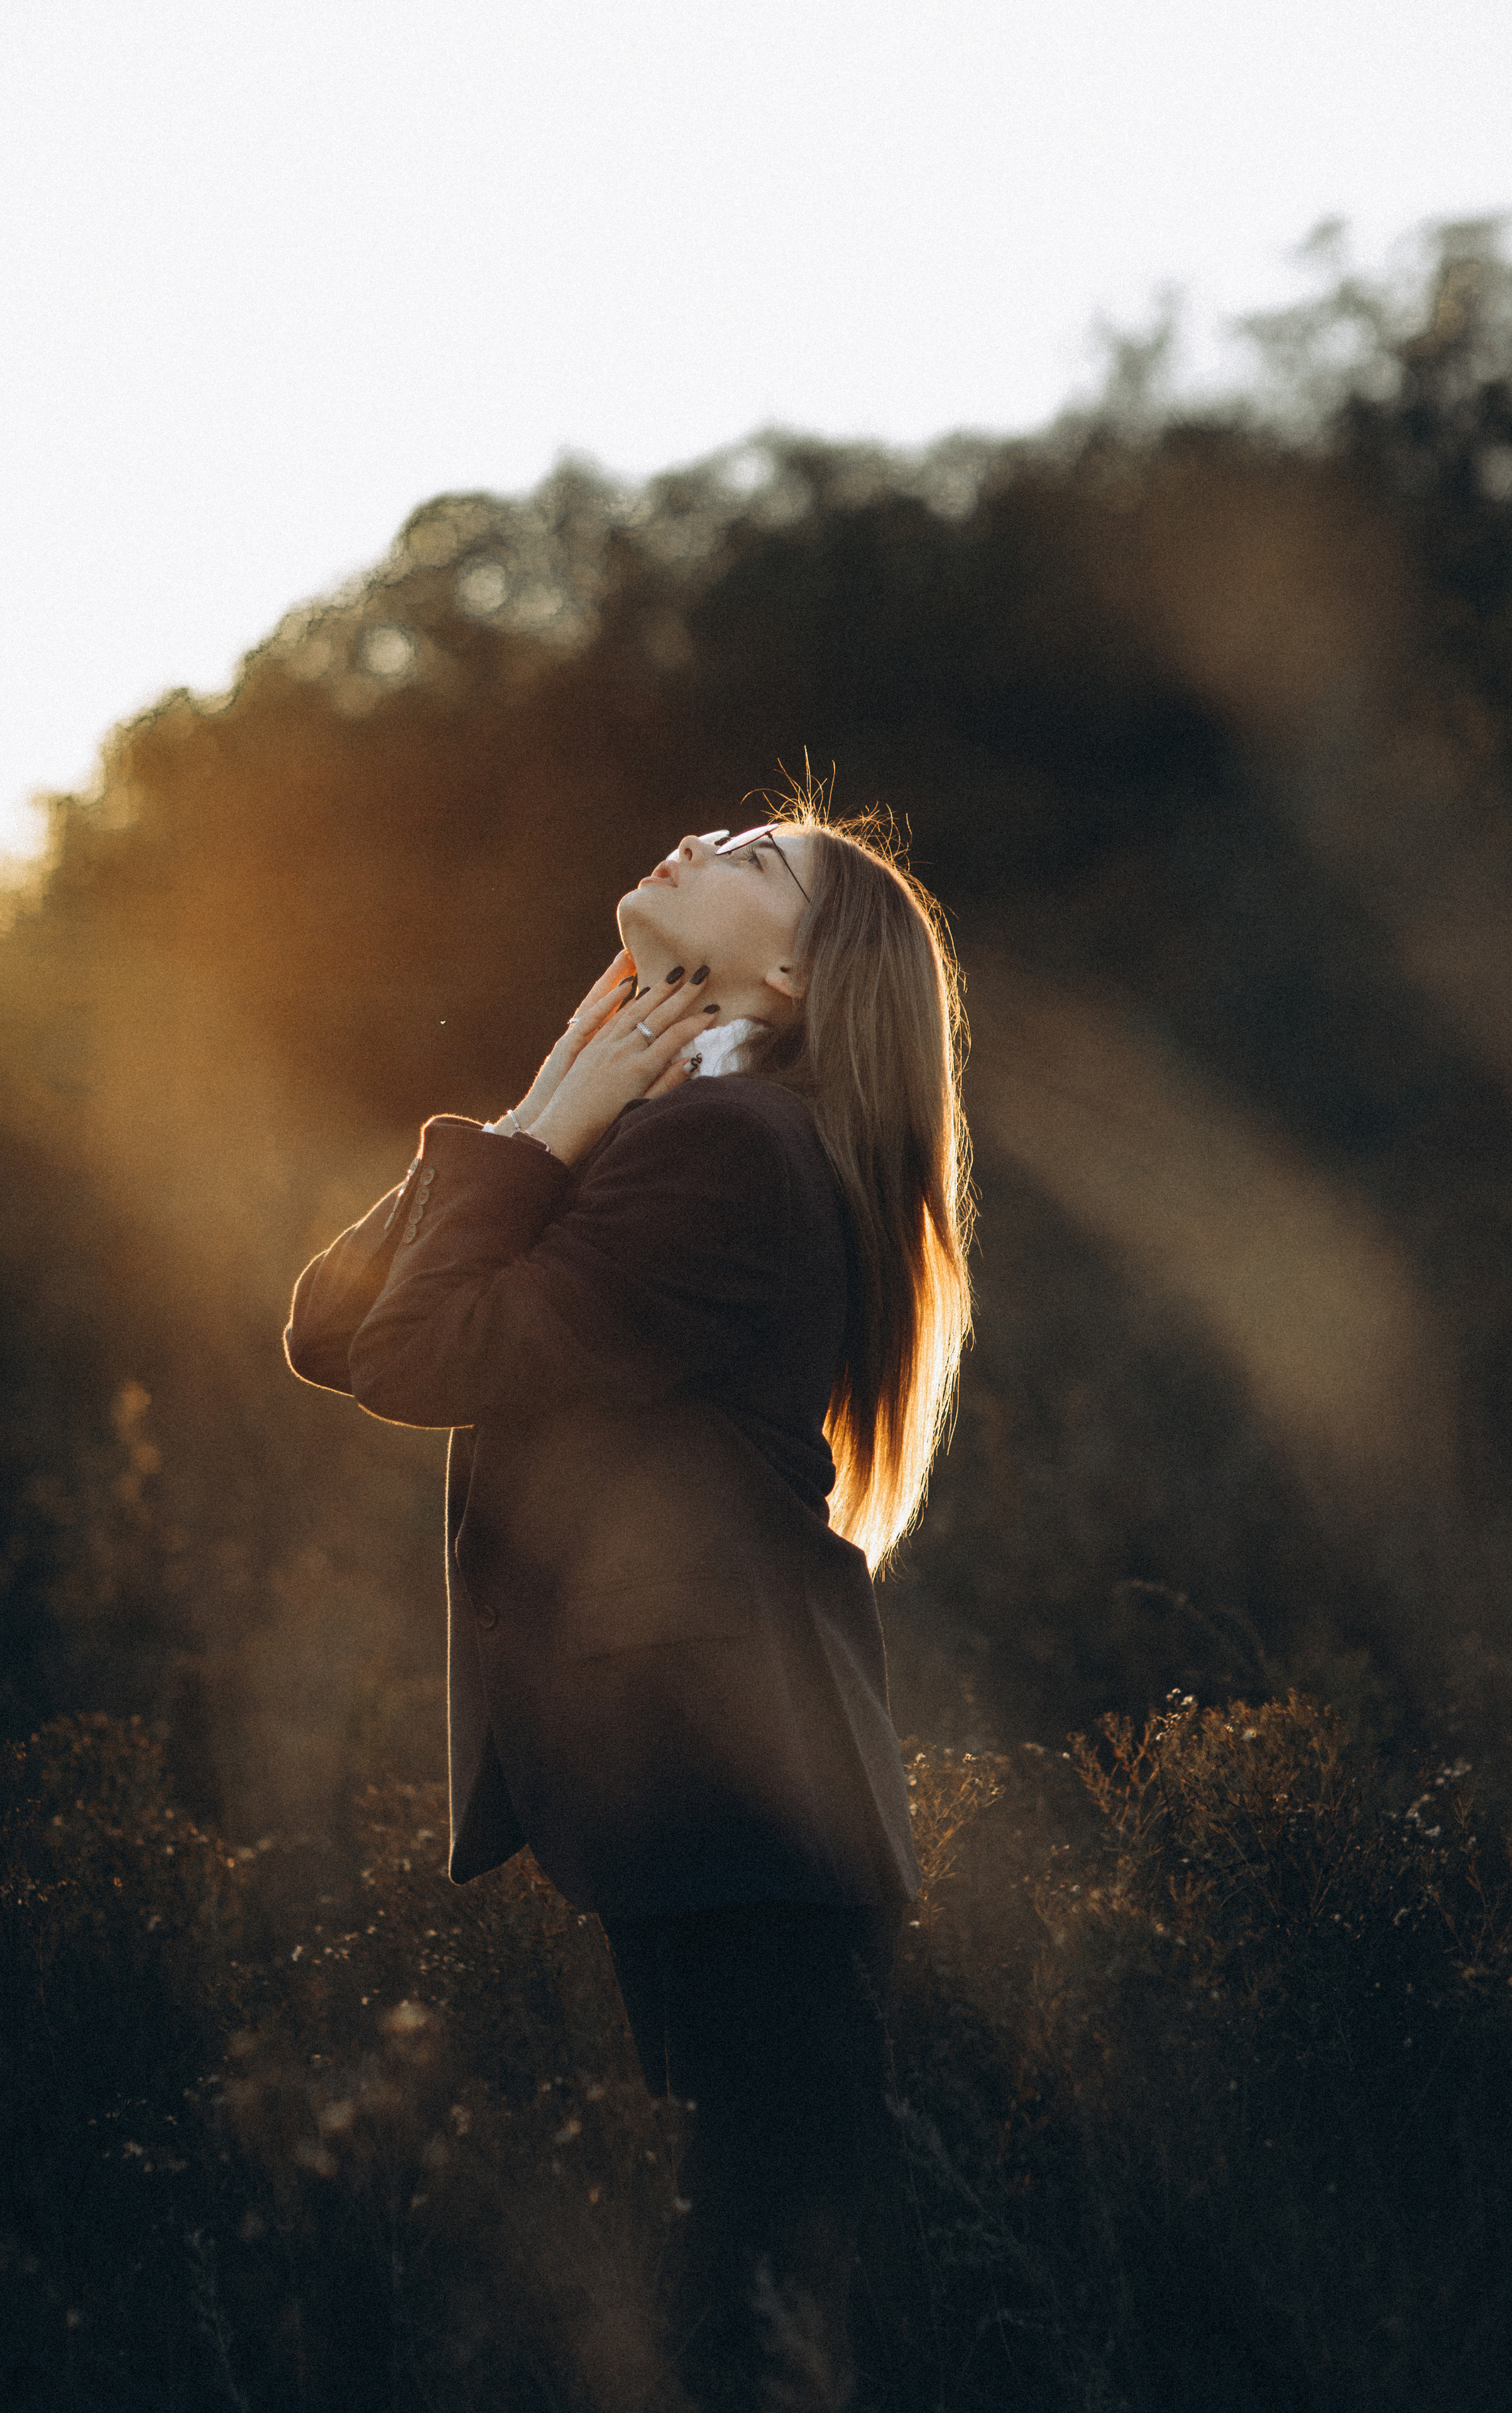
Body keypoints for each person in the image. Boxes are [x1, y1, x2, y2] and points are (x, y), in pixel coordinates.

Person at [283, 799, 973, 2404]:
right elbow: (330, 1329)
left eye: (755, 860)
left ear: (797, 975)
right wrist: (544, 1103)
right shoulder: (678, 1126)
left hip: (742, 1815)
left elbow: (410, 1358)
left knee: (755, 2323)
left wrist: (537, 1146)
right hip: (732, 1814)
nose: (705, 840)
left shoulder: (732, 1152)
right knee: (759, 2312)